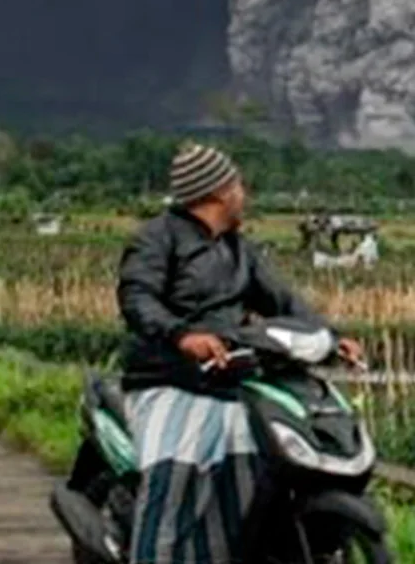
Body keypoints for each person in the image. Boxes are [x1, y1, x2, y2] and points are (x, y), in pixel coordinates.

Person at [117, 142, 363, 564]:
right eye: (238, 186)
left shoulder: (239, 249)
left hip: (229, 380)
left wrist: (331, 336)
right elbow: (138, 298)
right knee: (174, 476)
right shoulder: (157, 239)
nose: (244, 194)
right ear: (217, 193)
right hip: (167, 380)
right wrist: (182, 336)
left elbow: (283, 300)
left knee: (254, 475)